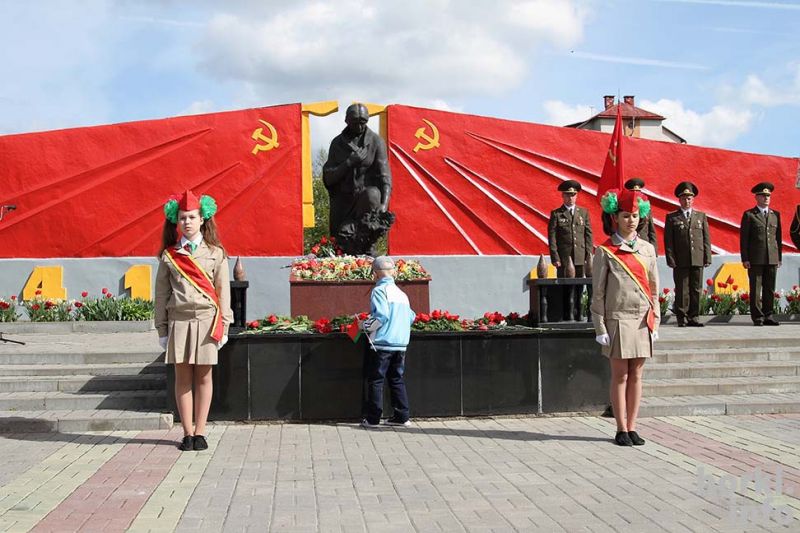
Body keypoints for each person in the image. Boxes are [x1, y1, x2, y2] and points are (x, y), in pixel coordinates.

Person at [155, 190, 233, 451]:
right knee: (182, 378)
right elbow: (161, 294)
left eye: (191, 217)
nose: (187, 222)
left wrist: (225, 325)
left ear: (202, 219)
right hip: (179, 321)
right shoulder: (169, 256)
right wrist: (161, 329)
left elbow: (223, 291)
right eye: (182, 218)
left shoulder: (216, 254)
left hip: (206, 322)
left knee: (204, 378)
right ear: (176, 221)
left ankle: (201, 432)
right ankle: (187, 433)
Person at [591, 188, 659, 447]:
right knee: (620, 375)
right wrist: (600, 326)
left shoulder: (647, 249)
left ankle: (633, 426)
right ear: (615, 218)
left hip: (642, 319)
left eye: (635, 216)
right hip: (618, 320)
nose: (631, 220)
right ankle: (620, 428)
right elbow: (598, 293)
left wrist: (655, 321)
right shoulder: (605, 251)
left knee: (637, 374)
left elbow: (654, 289)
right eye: (625, 216)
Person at [323, 103, 393, 256]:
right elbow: (329, 177)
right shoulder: (337, 143)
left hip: (365, 203)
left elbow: (385, 176)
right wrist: (349, 162)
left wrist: (384, 204)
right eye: (355, 122)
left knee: (373, 194)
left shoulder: (376, 141)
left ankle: (368, 246)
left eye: (363, 122)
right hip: (343, 201)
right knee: (342, 239)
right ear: (347, 121)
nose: (360, 127)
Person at [360, 256, 415, 428]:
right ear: (393, 272)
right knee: (396, 379)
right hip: (401, 343)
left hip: (383, 343)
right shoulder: (402, 294)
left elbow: (381, 316)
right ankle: (402, 417)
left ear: (375, 274)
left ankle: (373, 419)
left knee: (376, 380)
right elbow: (411, 317)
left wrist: (363, 325)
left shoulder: (379, 291)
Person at [663, 181, 711, 327]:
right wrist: (670, 258)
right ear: (679, 200)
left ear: (693, 199)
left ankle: (694, 317)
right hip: (680, 259)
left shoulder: (701, 216)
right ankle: (682, 318)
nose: (687, 201)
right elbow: (668, 241)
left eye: (689, 198)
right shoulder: (672, 217)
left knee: (696, 289)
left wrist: (707, 257)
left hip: (697, 257)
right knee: (682, 289)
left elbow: (706, 238)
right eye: (684, 198)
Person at [740, 182, 782, 326]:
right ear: (756, 197)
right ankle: (758, 317)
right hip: (755, 258)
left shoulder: (775, 215)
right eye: (763, 195)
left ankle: (768, 315)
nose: (766, 198)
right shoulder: (749, 215)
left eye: (768, 195)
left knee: (769, 288)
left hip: (772, 257)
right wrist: (745, 258)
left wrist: (779, 257)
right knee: (756, 289)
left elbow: (778, 238)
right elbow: (744, 239)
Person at [548, 180, 593, 278]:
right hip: (563, 257)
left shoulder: (583, 213)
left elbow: (588, 235)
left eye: (573, 195)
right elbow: (552, 237)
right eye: (567, 195)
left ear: (576, 196)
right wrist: (555, 257)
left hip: (580, 257)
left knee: (579, 284)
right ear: (563, 196)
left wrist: (589, 255)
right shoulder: (557, 214)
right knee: (564, 284)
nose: (570, 198)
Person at [625, 178, 658, 252]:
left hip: (644, 246)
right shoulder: (624, 209)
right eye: (633, 192)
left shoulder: (646, 209)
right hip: (629, 245)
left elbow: (651, 231)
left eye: (638, 191)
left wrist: (654, 250)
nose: (636, 194)